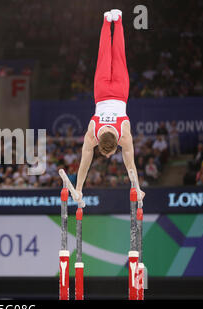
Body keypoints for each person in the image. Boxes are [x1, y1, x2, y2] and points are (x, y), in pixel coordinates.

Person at [73, 10, 145, 203]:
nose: (108, 156)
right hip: (102, 92)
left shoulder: (124, 135)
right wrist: (77, 189)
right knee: (104, 55)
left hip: (120, 92)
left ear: (115, 144)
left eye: (108, 154)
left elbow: (130, 165)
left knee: (118, 56)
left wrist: (137, 187)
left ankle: (118, 20)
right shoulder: (92, 134)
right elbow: (85, 165)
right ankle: (107, 20)